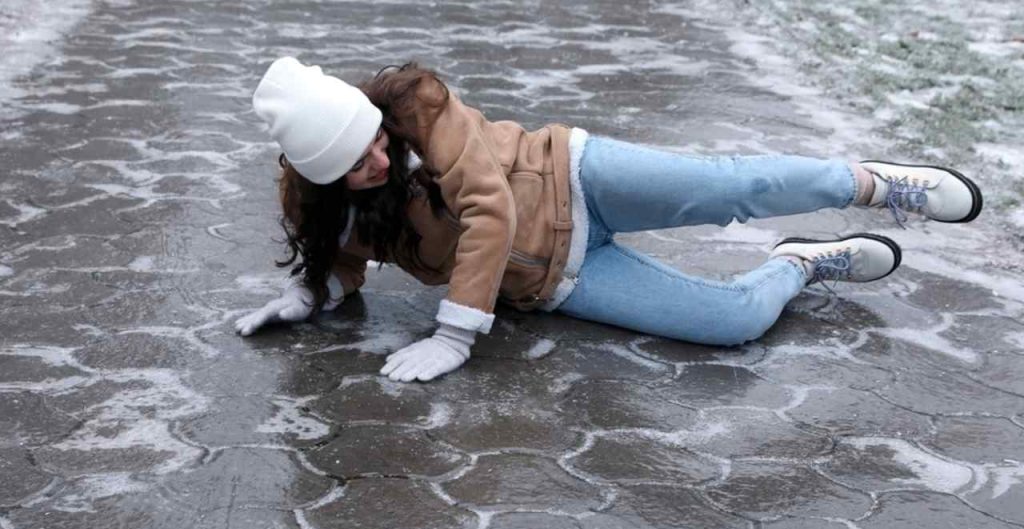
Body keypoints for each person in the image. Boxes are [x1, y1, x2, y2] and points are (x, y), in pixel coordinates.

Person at [236, 56, 983, 382]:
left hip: (574, 174)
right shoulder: (313, 195)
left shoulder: (416, 104)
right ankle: (803, 263)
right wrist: (311, 294)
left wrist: (457, 332)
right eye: (351, 162)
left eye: (370, 137)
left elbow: (489, 208)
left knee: (725, 190)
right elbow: (340, 256)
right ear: (318, 173)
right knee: (728, 326)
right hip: (553, 278)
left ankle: (873, 184)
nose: (373, 157)